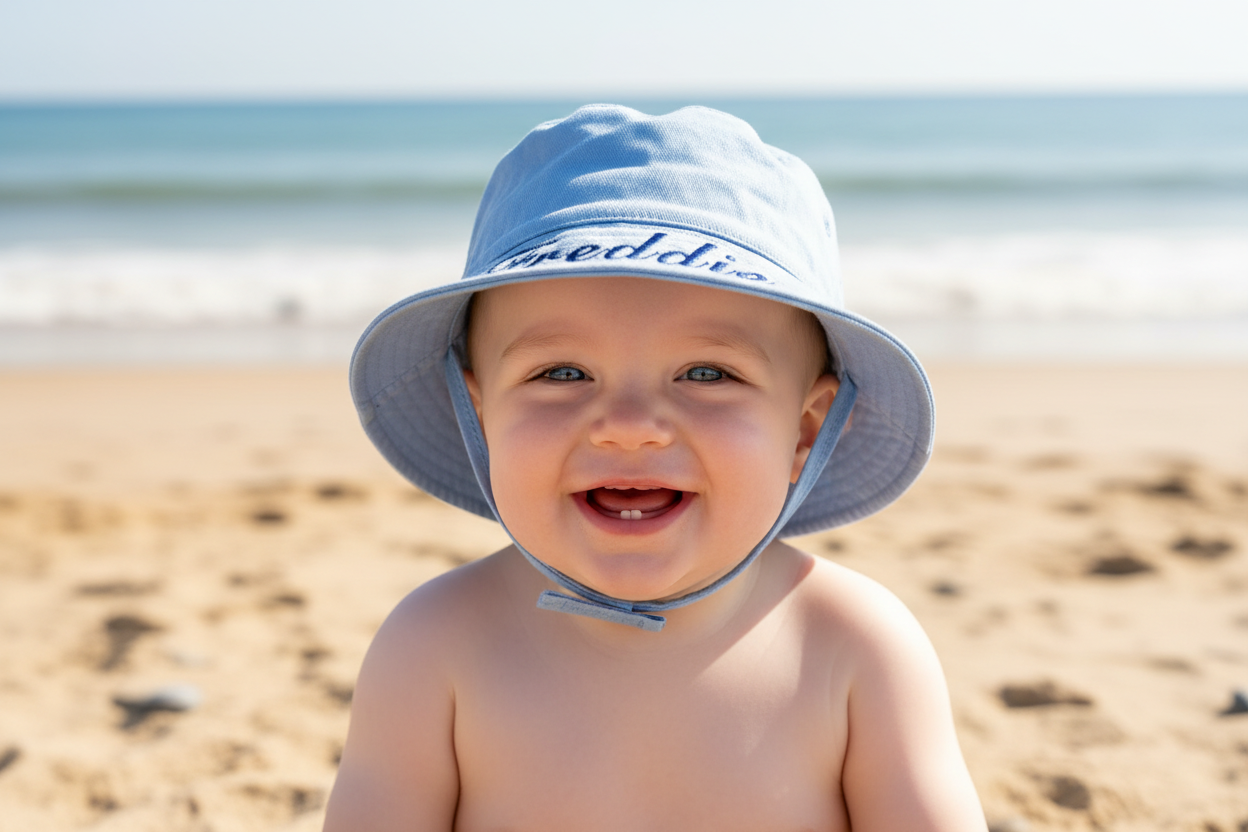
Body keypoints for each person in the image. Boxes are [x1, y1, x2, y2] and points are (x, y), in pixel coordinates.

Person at [324, 104, 985, 831]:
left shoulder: (852, 646)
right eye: (563, 371)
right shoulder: (435, 644)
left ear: (804, 429)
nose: (630, 427)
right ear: (481, 415)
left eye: (705, 372)